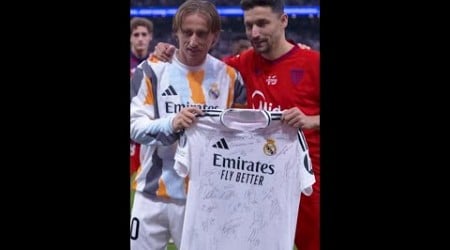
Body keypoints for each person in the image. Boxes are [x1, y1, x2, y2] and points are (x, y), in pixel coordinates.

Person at [153, 0, 320, 249]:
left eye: (262, 23)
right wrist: (170, 53)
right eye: (249, 25)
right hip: (260, 185)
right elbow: (198, 66)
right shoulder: (239, 65)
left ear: (283, 21)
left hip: (310, 185)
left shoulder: (312, 63)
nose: (254, 33)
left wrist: (312, 120)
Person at [129, 1, 247, 249]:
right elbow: (134, 128)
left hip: (203, 200)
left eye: (202, 33)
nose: (193, 41)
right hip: (151, 195)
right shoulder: (150, 71)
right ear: (176, 31)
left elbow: (241, 140)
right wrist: (173, 123)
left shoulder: (231, 79)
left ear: (215, 36)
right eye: (187, 32)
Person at [130, 17, 154, 178]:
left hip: (148, 127)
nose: (140, 39)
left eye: (144, 34)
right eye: (136, 34)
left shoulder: (157, 64)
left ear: (150, 36)